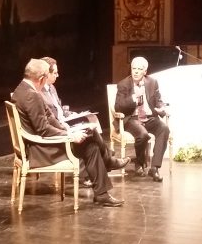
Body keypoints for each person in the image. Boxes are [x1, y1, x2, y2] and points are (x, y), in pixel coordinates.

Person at [12, 58, 125, 207]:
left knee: (89, 137)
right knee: (90, 145)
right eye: (46, 77)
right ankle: (102, 190)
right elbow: (43, 129)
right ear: (40, 79)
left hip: (40, 142)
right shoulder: (31, 95)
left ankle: (102, 191)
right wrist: (70, 136)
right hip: (41, 150)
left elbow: (49, 118)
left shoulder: (22, 89)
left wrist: (69, 129)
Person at [40, 56, 124, 187]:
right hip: (59, 129)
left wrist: (72, 114)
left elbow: (59, 109)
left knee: (92, 127)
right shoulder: (39, 93)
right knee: (90, 137)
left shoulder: (51, 88)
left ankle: (105, 163)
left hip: (64, 121)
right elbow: (48, 120)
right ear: (46, 74)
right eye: (55, 73)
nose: (58, 75)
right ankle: (107, 160)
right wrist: (66, 126)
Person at [114, 56, 170, 183]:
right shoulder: (123, 84)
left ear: (145, 71)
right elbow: (117, 106)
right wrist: (133, 99)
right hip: (131, 118)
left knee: (164, 129)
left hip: (149, 117)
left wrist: (161, 108)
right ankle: (139, 163)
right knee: (143, 135)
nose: (136, 71)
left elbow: (158, 100)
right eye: (134, 68)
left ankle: (154, 168)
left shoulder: (152, 82)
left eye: (139, 69)